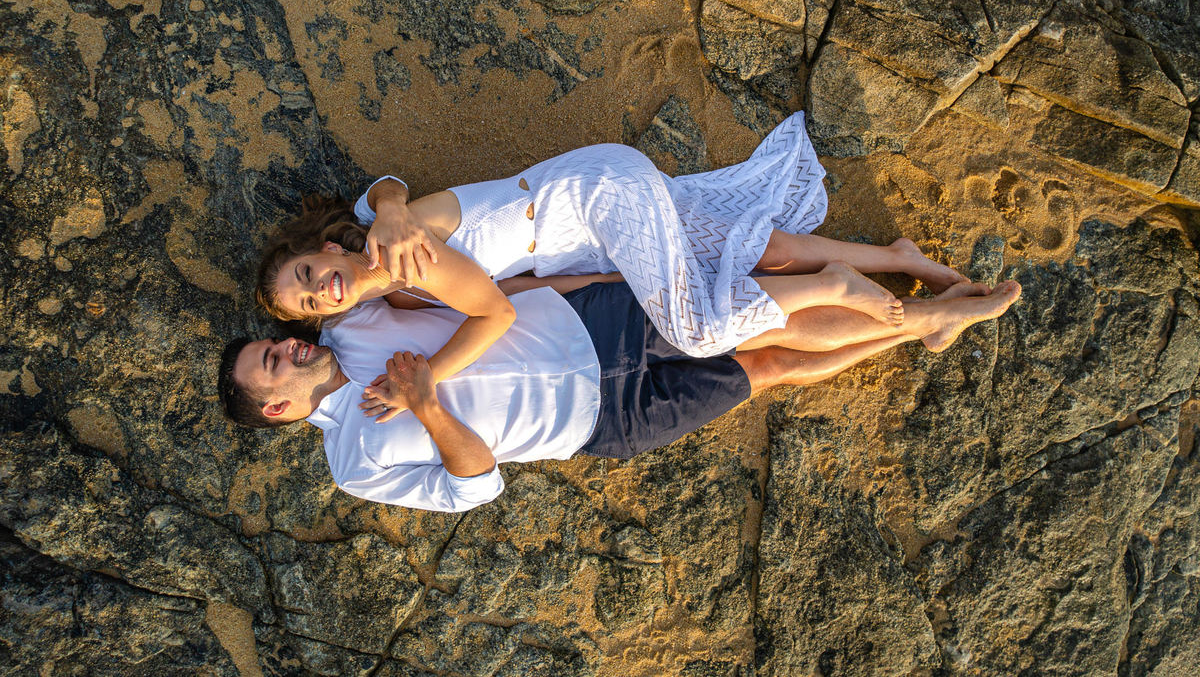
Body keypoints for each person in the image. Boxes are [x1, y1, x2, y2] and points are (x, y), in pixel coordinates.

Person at [255, 113, 966, 396]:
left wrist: (432, 377)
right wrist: (607, 276)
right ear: (330, 315)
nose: (320, 288)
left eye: (307, 274)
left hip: (593, 196)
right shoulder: (384, 253)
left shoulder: (394, 249)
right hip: (591, 226)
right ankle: (891, 254)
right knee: (755, 244)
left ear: (322, 250)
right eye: (311, 301)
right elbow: (532, 278)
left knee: (700, 327)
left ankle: (838, 284)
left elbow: (497, 311)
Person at [219, 278, 1022, 513]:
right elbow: (477, 487)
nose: (288, 345)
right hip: (601, 421)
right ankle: (912, 329)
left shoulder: (353, 323)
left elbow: (389, 254)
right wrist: (428, 403)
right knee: (765, 368)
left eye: (274, 340)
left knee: (751, 319)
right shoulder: (353, 463)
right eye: (274, 361)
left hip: (588, 325)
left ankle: (925, 311)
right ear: (279, 408)